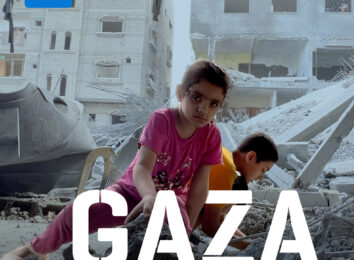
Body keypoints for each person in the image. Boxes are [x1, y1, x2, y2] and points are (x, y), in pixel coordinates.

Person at [1, 59, 231, 260]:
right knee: (79, 209)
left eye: (213, 104)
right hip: (129, 192)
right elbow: (142, 167)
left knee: (176, 245)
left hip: (169, 202)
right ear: (181, 93)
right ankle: (34, 249)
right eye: (197, 97)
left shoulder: (211, 134)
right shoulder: (162, 120)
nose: (203, 109)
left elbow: (200, 187)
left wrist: (186, 230)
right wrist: (149, 196)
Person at [197, 132, 278, 250]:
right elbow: (210, 227)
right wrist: (249, 247)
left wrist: (249, 241)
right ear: (251, 157)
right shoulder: (226, 173)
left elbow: (220, 219)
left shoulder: (225, 156)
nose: (261, 176)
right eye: (263, 170)